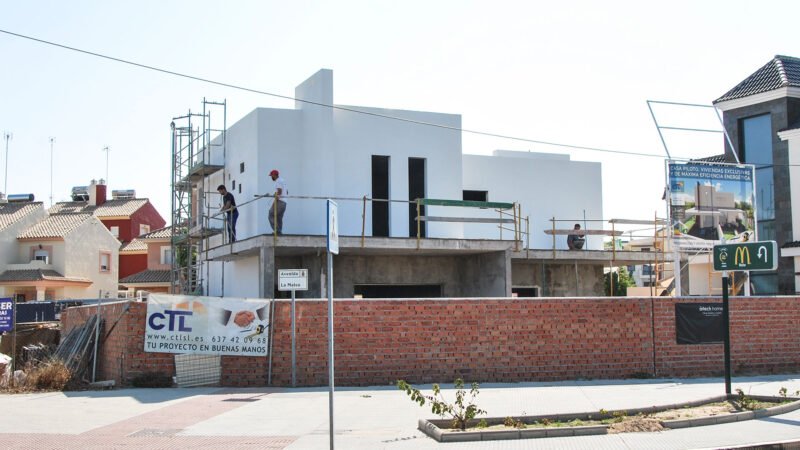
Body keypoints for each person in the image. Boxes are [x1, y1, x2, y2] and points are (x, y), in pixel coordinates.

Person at [268, 169, 287, 234]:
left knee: (271, 214)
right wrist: (275, 194)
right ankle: (279, 231)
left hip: (280, 201)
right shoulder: (282, 180)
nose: (271, 177)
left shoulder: (278, 181)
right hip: (284, 202)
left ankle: (276, 230)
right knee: (279, 217)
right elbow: (286, 191)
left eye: (271, 176)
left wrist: (275, 201)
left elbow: (279, 191)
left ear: (274, 175)